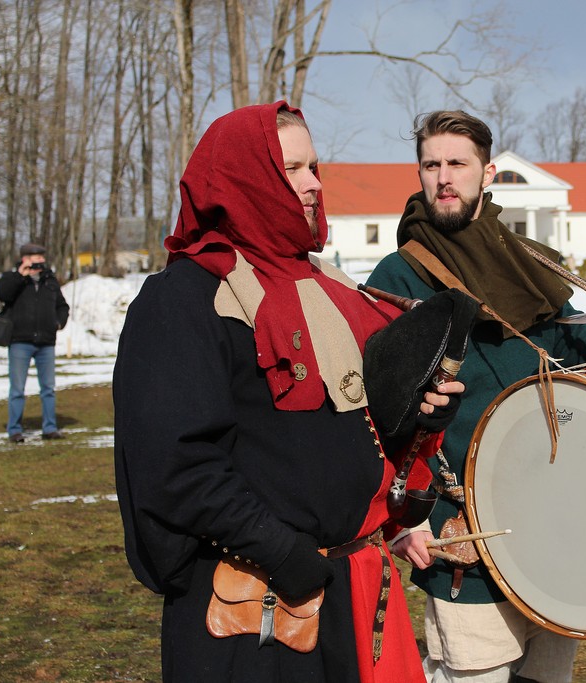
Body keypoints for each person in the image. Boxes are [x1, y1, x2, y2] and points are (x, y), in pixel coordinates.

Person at [113, 101, 466, 683]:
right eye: (293, 169)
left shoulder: (332, 287)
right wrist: (281, 553)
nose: (312, 184)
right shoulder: (184, 299)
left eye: (313, 167)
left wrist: (422, 412)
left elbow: (355, 432)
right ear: (245, 178)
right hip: (253, 602)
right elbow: (174, 466)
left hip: (351, 586)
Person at [367, 110, 586, 683]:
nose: (444, 177)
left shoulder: (524, 262)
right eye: (432, 164)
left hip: (552, 514)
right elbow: (369, 413)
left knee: (549, 676)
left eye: (458, 163)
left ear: (488, 172)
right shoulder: (396, 277)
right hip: (463, 530)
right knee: (475, 675)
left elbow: (573, 342)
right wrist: (400, 517)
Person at [0, 242, 70, 443]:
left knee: (48, 388)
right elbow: (2, 295)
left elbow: (63, 306)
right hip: (20, 342)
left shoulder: (50, 280)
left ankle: (50, 428)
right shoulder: (13, 278)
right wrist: (21, 276)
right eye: (36, 258)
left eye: (42, 258)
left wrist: (58, 322)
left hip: (46, 343)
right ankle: (15, 430)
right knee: (17, 389)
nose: (41, 261)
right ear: (25, 258)